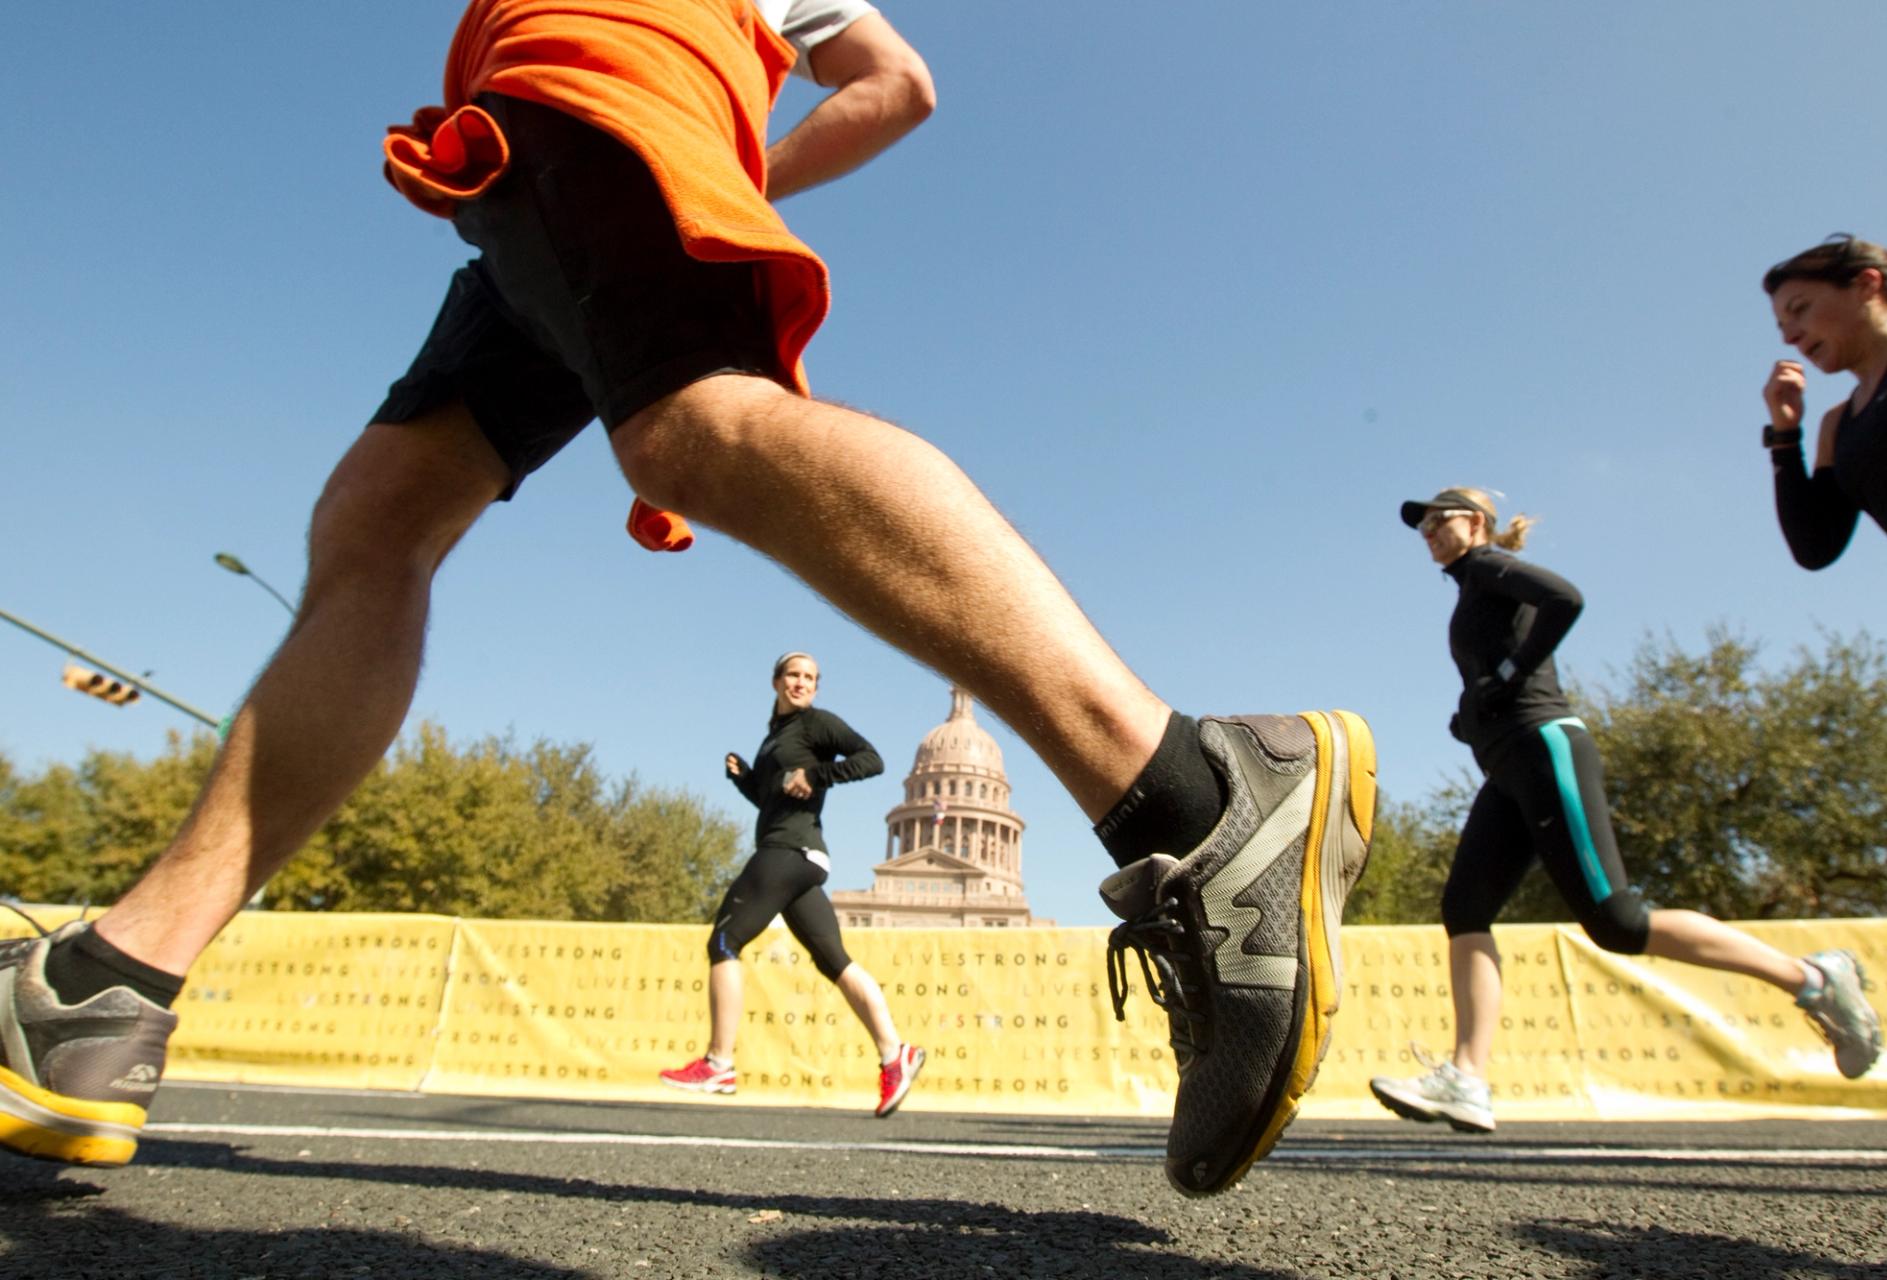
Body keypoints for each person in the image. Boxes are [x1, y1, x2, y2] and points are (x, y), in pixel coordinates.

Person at [0, 0, 1374, 1197]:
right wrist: (727, 167)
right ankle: (111, 984)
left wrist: (698, 165)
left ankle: (1193, 794)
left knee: (690, 426)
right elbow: (895, 80)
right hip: (537, 166)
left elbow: (897, 86)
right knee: (376, 523)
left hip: (598, 67)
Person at [1367, 487, 1883, 1133]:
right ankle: (1467, 1078)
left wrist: (1510, 676)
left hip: (1546, 748)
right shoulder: (1470, 587)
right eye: (1424, 529)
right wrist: (1473, 712)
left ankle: (1812, 977)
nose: (1430, 534)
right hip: (1506, 766)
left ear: (1476, 522)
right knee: (1464, 910)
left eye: (1440, 521)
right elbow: (1501, 666)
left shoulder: (1488, 567)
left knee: (1617, 921)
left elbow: (1565, 598)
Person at [660, 651, 925, 1116]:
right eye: (793, 675)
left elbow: (872, 760)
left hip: (787, 851)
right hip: (801, 856)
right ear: (776, 681)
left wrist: (817, 774)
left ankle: (719, 1062)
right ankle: (894, 1053)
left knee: (724, 941)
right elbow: (771, 798)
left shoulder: (816, 724)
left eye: (809, 677)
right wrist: (743, 778)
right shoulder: (775, 738)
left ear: (816, 688)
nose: (801, 683)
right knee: (835, 962)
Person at [1762, 235, 1887, 584]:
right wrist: (1785, 435)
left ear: (1866, 285)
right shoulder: (1838, 426)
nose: (1789, 337)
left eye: (1800, 309)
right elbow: (1815, 546)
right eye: (1781, 326)